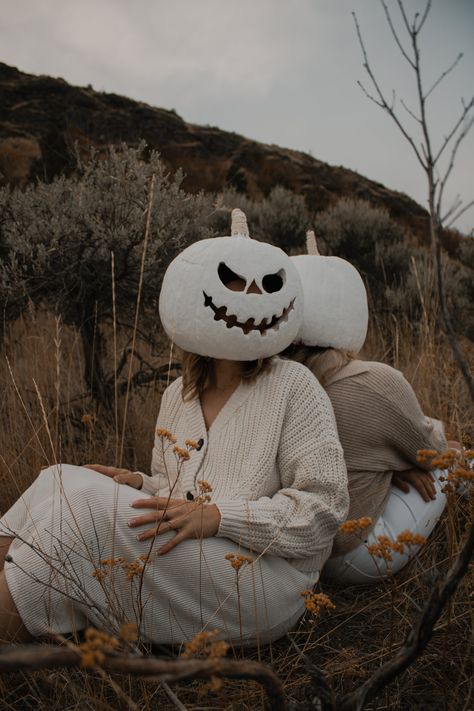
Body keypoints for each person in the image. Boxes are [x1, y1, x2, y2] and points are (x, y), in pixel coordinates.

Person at [0, 211, 348, 646]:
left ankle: (10, 630)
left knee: (86, 513)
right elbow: (175, 488)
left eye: (265, 285)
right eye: (233, 280)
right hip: (197, 550)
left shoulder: (295, 387)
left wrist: (222, 516)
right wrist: (140, 483)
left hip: (268, 576)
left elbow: (325, 509)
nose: (250, 297)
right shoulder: (179, 394)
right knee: (59, 479)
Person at [287, 232, 449, 584]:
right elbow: (433, 454)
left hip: (290, 555)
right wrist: (401, 460)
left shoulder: (268, 376)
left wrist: (386, 466)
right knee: (457, 466)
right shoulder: (374, 380)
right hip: (352, 553)